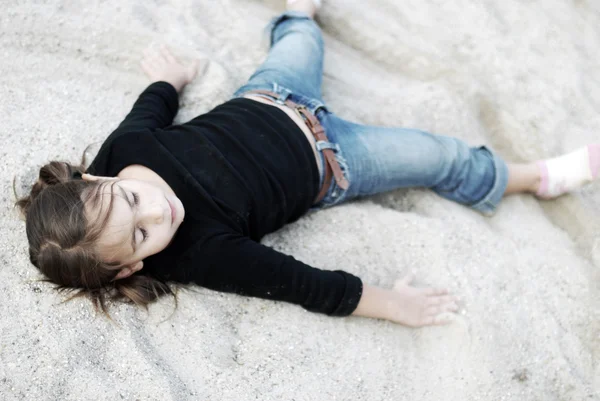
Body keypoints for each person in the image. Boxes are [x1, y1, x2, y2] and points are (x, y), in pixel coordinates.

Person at [16, 0, 599, 327]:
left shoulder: (124, 153)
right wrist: (391, 304)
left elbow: (148, 114)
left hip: (271, 94)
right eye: (141, 239)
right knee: (436, 154)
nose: (159, 215)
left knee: (300, 38)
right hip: (337, 160)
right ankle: (536, 179)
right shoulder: (199, 252)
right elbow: (298, 284)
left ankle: (297, 11)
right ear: (127, 271)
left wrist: (168, 80)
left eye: (134, 202)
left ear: (98, 178)